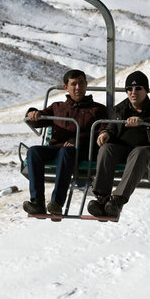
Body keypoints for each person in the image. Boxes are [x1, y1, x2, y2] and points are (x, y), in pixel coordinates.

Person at [88, 71, 150, 219]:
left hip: (147, 153)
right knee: (106, 148)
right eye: (129, 89)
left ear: (146, 90)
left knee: (139, 152)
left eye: (138, 88)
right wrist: (106, 133)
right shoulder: (120, 109)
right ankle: (102, 198)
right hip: (123, 150)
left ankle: (117, 201)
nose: (133, 92)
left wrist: (143, 121)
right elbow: (111, 127)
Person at [22, 69, 107, 216]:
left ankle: (57, 202)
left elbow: (102, 131)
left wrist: (77, 140)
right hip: (57, 148)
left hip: (82, 151)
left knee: (65, 151)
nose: (78, 87)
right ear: (66, 87)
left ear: (86, 85)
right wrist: (33, 113)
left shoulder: (97, 109)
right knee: (34, 151)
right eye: (73, 84)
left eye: (81, 83)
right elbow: (38, 120)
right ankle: (37, 202)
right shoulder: (58, 108)